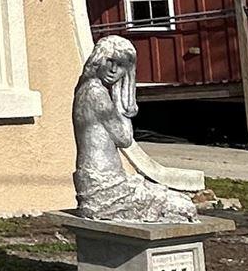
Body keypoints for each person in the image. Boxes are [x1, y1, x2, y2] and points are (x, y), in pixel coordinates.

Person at [71, 34, 197, 225]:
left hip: (106, 181)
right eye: (110, 61)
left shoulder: (88, 88)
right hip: (103, 186)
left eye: (121, 65)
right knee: (182, 205)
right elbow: (125, 139)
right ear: (98, 59)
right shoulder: (96, 94)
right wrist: (123, 98)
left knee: (171, 198)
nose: (113, 70)